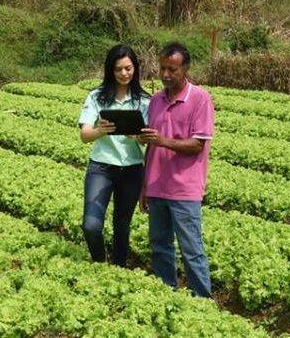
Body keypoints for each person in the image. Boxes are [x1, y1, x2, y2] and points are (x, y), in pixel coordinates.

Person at [138, 41, 214, 298]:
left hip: (184, 189)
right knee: (159, 246)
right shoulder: (156, 100)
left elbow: (197, 144)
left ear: (186, 69)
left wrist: (163, 141)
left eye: (172, 69)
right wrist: (145, 185)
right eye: (162, 69)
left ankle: (203, 301)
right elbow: (151, 145)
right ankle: (166, 293)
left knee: (191, 249)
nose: (166, 75)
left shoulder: (200, 99)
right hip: (157, 186)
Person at [78, 44, 150, 267]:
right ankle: (100, 262)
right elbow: (84, 135)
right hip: (102, 168)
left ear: (135, 68)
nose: (124, 73)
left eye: (128, 68)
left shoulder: (145, 101)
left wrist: (138, 136)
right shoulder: (97, 97)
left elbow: (149, 138)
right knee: (90, 224)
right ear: (111, 70)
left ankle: (118, 267)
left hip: (132, 169)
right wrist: (100, 130)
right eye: (118, 69)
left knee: (122, 224)